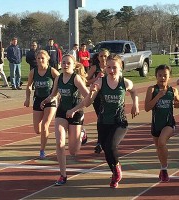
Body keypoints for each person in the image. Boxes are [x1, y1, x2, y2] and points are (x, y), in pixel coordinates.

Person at [67, 54, 139, 188]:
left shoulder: (125, 82)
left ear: (121, 67)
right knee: (106, 149)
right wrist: (89, 94)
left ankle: (117, 170)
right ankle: (114, 172)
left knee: (111, 146)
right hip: (104, 122)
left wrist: (135, 104)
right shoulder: (100, 82)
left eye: (114, 68)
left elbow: (134, 92)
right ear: (105, 68)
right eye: (109, 67)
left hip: (120, 122)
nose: (111, 71)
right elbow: (88, 102)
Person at [40, 54, 89, 186]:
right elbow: (54, 94)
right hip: (61, 112)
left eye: (68, 63)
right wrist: (46, 100)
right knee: (60, 143)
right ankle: (63, 175)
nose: (65, 65)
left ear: (74, 65)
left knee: (73, 151)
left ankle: (82, 134)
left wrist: (74, 110)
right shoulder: (59, 78)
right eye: (63, 62)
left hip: (76, 113)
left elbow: (88, 99)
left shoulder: (76, 78)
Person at [144, 64, 179, 182]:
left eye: (165, 75)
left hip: (169, 123)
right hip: (156, 124)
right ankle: (162, 167)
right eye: (160, 75)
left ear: (169, 77)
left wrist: (178, 103)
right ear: (156, 76)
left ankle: (164, 169)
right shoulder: (152, 89)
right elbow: (147, 107)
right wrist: (158, 97)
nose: (162, 78)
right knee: (159, 148)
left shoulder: (173, 90)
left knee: (161, 142)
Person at [24, 50, 60, 159]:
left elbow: (62, 82)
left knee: (45, 125)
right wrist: (27, 98)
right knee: (37, 130)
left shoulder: (52, 71)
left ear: (47, 59)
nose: (40, 60)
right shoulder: (33, 72)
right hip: (38, 99)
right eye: (38, 58)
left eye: (42, 58)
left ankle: (42, 150)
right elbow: (29, 86)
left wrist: (55, 95)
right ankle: (44, 136)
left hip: (50, 100)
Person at [86, 48, 110, 153]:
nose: (103, 58)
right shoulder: (94, 68)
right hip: (97, 97)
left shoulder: (112, 68)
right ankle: (100, 142)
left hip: (109, 98)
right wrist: (96, 79)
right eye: (101, 56)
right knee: (100, 119)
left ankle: (106, 140)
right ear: (98, 58)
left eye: (105, 56)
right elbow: (85, 81)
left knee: (108, 120)